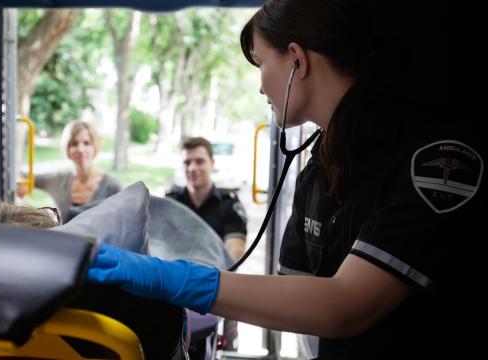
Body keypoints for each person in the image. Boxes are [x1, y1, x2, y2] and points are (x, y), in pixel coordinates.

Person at [86, 0, 480, 358]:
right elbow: (295, 292)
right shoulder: (322, 165)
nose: (260, 85)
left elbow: (345, 305)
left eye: (260, 63)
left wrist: (175, 279)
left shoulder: (440, 162)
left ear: (296, 60)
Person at [166, 136, 247, 352]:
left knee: (228, 343)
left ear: (212, 163)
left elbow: (235, 251)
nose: (193, 168)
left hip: (218, 283)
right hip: (177, 284)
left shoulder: (229, 204)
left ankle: (230, 348)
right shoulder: (171, 202)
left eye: (199, 161)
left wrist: (212, 277)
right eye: (187, 162)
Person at [17, 120, 121, 223]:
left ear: (95, 147)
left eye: (86, 143)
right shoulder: (57, 180)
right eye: (74, 144)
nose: (80, 149)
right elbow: (20, 175)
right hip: (62, 239)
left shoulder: (111, 186)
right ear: (67, 148)